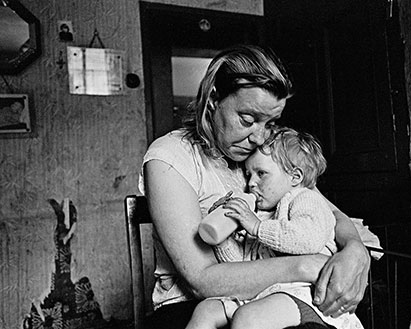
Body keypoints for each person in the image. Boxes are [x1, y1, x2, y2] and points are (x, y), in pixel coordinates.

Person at [139, 44, 370, 329]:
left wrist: (356, 250)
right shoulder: (170, 158)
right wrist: (308, 266)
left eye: (270, 123)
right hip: (195, 306)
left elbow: (330, 214)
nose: (259, 137)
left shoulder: (264, 155)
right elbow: (202, 281)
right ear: (213, 100)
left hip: (277, 296)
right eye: (247, 120)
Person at [187, 127, 364, 329]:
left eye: (261, 174)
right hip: (265, 292)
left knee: (249, 318)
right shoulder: (263, 214)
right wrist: (222, 238)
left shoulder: (306, 199)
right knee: (207, 310)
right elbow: (242, 264)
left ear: (295, 177)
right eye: (248, 174)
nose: (251, 183)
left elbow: (307, 240)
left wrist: (255, 226)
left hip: (304, 293)